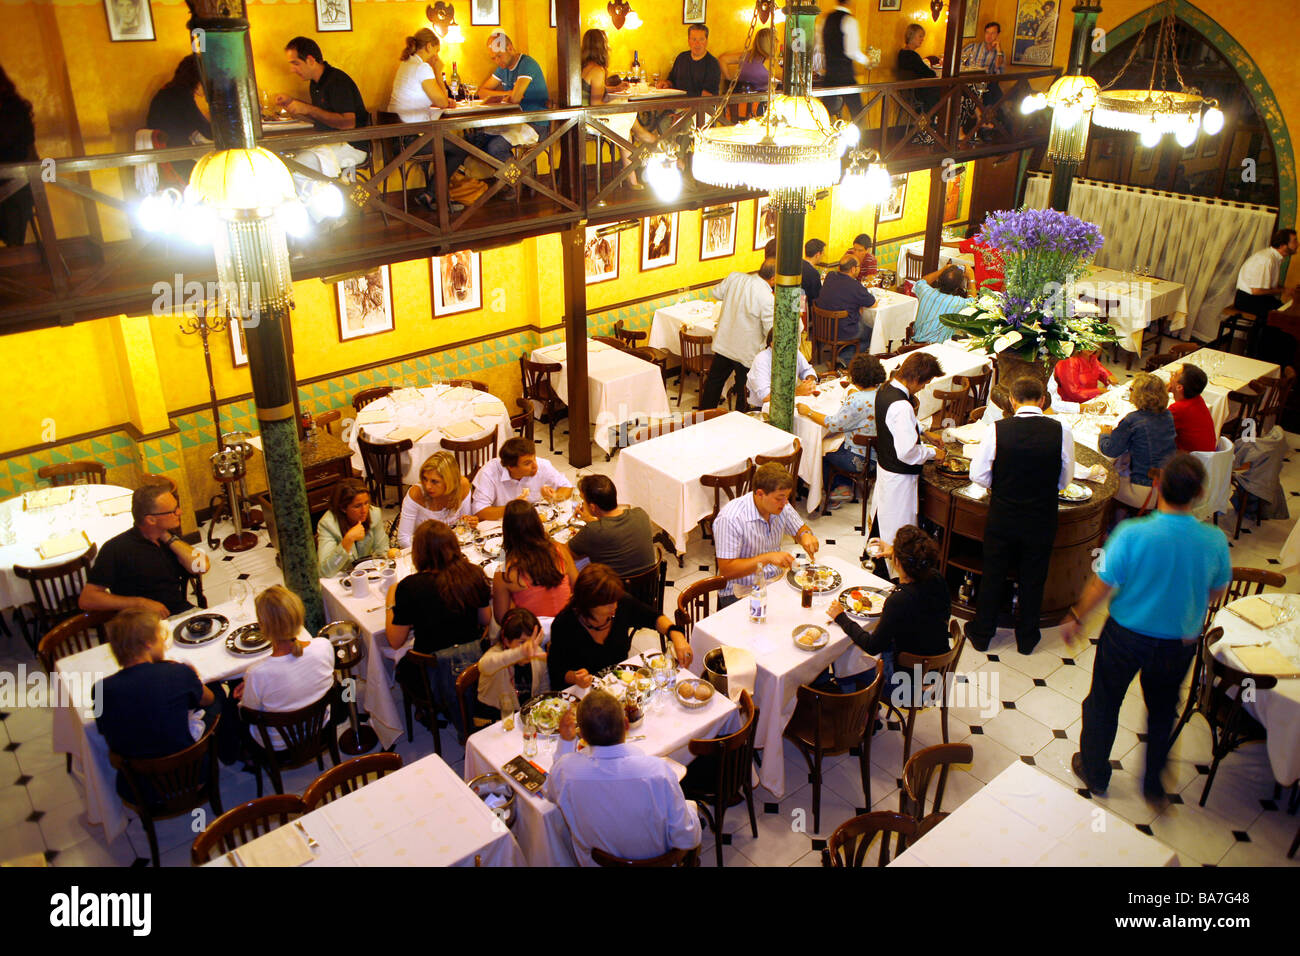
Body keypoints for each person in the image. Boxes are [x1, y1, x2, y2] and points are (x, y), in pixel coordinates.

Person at [1063, 453, 1230, 804]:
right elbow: (1217, 590)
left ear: (1157, 485)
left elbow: (1102, 584)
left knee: (1104, 702)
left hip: (1126, 634)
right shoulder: (1213, 540)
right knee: (1162, 710)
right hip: (1178, 642)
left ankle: (1094, 771)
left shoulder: (1132, 532)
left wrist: (1078, 616)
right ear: (1200, 493)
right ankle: (1153, 783)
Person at [965, 376, 1075, 654]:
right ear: (1042, 400)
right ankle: (1027, 638)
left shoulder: (998, 429)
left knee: (993, 573)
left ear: (1012, 400)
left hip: (1004, 512)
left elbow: (977, 475)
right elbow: (1065, 479)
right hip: (1042, 514)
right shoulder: (1061, 429)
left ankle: (982, 633)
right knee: (1034, 576)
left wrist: (1000, 486)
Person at [546, 689, 701, 865]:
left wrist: (566, 743)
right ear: (626, 725)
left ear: (583, 736)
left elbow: (551, 793)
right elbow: (688, 839)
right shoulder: (658, 772)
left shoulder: (566, 772)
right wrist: (692, 810)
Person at [94, 608, 218, 798]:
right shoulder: (177, 672)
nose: (164, 644)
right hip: (190, 774)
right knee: (218, 695)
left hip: (137, 786)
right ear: (148, 643)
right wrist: (193, 678)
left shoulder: (100, 690)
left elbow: (106, 734)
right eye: (161, 638)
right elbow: (209, 699)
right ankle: (233, 753)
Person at [827, 525, 950, 688]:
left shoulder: (899, 600)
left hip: (906, 682)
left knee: (848, 652)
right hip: (939, 667)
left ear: (897, 561)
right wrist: (896, 553)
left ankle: (857, 702)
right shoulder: (937, 578)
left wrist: (840, 617)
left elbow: (872, 646)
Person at [547, 563, 691, 689]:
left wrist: (677, 636)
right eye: (608, 603)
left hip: (618, 685)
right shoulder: (564, 624)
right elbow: (556, 671)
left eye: (615, 599)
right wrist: (575, 677)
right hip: (582, 694)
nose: (614, 606)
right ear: (588, 603)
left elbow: (653, 617)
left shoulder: (621, 604)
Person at [80, 483, 208, 618]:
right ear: (151, 519)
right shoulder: (116, 548)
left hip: (178, 611)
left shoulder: (166, 536)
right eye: (173, 511)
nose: (179, 512)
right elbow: (87, 599)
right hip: (141, 623)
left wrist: (168, 538)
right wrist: (139, 603)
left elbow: (201, 566)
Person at [276, 38, 370, 211]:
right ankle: (324, 215)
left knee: (298, 166)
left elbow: (348, 123)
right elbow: (323, 117)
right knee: (287, 162)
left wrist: (307, 109)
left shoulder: (337, 81)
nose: (291, 69)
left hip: (353, 146)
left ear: (311, 60)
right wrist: (294, 104)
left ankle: (324, 216)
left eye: (295, 63)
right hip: (332, 143)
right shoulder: (316, 84)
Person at [240, 586, 336, 749]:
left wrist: (247, 690)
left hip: (278, 743)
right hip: (320, 726)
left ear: (263, 627)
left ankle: (246, 758)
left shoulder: (256, 673)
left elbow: (248, 712)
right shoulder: (324, 646)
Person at [714, 462, 820, 609]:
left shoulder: (781, 506)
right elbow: (726, 570)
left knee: (811, 604)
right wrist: (767, 558)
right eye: (779, 498)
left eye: (787, 497)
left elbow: (800, 528)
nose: (785, 503)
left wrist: (805, 535)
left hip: (774, 580)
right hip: (741, 591)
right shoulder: (731, 518)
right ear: (760, 494)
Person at [873, 351, 946, 560]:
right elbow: (907, 452)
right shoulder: (902, 406)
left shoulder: (886, 388)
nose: (923, 387)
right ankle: (896, 573)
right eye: (924, 383)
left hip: (886, 469)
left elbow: (895, 422)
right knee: (899, 530)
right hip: (900, 477)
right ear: (914, 378)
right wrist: (933, 453)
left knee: (885, 520)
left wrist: (923, 431)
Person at [386, 28, 468, 207]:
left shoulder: (406, 64)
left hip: (396, 136)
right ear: (430, 46)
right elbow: (442, 100)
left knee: (451, 144)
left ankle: (432, 195)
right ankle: (433, 195)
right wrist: (438, 70)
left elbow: (439, 100)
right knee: (460, 149)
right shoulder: (422, 67)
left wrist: (443, 99)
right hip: (410, 140)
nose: (436, 56)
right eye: (437, 51)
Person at [385, 519, 491, 653]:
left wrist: (390, 601)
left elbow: (395, 641)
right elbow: (485, 619)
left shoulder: (409, 587)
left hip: (430, 667)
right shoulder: (474, 574)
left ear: (418, 553)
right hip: (473, 662)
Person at [798, 352, 886, 506]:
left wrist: (808, 412)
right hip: (881, 453)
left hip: (861, 459)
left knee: (820, 449)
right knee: (835, 440)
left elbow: (833, 424)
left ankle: (835, 494)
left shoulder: (857, 400)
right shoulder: (883, 392)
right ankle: (845, 486)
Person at [475, 31, 550, 199]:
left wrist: (509, 95)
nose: (497, 61)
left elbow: (516, 98)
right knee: (478, 139)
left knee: (495, 147)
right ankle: (519, 177)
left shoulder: (526, 64)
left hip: (536, 124)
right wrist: (509, 92)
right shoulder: (503, 68)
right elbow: (482, 92)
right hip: (516, 122)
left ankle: (517, 182)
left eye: (499, 56)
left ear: (510, 48)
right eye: (493, 58)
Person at [581, 29, 659, 189]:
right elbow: (596, 105)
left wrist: (613, 89)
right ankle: (643, 136)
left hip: (583, 116)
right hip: (591, 120)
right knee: (625, 110)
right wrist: (616, 101)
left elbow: (593, 91)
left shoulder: (586, 66)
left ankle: (632, 176)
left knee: (624, 116)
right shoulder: (597, 70)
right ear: (601, 46)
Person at [700, 261, 777, 411]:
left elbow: (716, 293)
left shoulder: (735, 278)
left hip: (724, 344)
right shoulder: (767, 298)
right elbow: (770, 332)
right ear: (773, 278)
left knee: (714, 383)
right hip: (745, 353)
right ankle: (741, 422)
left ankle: (703, 416)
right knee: (745, 391)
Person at [1098, 372, 1177, 510]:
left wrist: (1104, 434)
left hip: (1142, 490)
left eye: (1131, 389)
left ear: (1140, 395)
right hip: (1166, 485)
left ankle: (1104, 525)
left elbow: (1110, 450)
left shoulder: (1133, 420)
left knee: (1100, 478)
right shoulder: (1167, 415)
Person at [492, 499, 579, 623]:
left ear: (506, 530)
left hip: (533, 634)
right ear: (537, 523)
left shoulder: (504, 573)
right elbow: (578, 587)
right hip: (565, 624)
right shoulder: (559, 550)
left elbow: (502, 619)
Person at [568, 475, 656, 576]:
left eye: (583, 501)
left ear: (592, 507)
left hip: (613, 590)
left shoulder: (593, 531)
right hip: (649, 587)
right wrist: (592, 520)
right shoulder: (641, 514)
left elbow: (567, 553)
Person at [474, 607, 547, 726]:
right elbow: (484, 665)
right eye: (522, 642)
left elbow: (543, 690)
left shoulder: (537, 654)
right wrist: (519, 653)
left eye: (532, 641)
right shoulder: (496, 656)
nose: (529, 647)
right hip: (493, 722)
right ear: (506, 641)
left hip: (524, 719)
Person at [471, 436, 575, 519]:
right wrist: (512, 508)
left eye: (534, 459)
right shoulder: (489, 473)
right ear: (511, 467)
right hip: (504, 522)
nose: (535, 466)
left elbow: (567, 487)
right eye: (527, 463)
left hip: (534, 519)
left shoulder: (542, 465)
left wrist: (555, 497)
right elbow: (479, 511)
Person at [1234, 228, 1298, 356]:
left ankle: (1272, 352)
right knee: (1275, 316)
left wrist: (1286, 289)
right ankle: (1258, 353)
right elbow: (1257, 290)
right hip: (1247, 299)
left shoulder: (1275, 257)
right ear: (1283, 245)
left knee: (1284, 312)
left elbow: (1268, 285)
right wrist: (1283, 289)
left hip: (1257, 298)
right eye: (1294, 241)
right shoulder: (1266, 259)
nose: (1297, 244)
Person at [146, 55, 211, 179]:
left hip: (169, 155)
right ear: (198, 77)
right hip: (179, 157)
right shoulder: (181, 94)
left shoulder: (168, 91)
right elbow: (207, 131)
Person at [395, 451, 476, 549]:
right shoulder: (416, 493)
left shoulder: (462, 486)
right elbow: (403, 539)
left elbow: (464, 526)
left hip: (452, 545)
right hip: (422, 548)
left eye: (435, 481)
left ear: (449, 481)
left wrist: (470, 522)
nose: (428, 486)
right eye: (425, 479)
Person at [316, 478, 396, 577]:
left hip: (368, 573)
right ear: (343, 508)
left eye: (366, 503)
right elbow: (325, 571)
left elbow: (382, 551)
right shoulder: (328, 525)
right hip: (342, 576)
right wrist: (347, 541)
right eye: (357, 506)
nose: (364, 510)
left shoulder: (374, 513)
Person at [0, 66, 36, 246]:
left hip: (16, 182)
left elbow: (10, 143)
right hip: (15, 181)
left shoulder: (14, 109)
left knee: (13, 221)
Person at [815, 254, 877, 354]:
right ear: (853, 269)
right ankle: (846, 356)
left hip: (821, 327)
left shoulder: (830, 276)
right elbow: (873, 303)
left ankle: (841, 352)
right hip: (842, 331)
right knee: (873, 333)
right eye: (858, 267)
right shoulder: (854, 285)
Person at [821, 2, 871, 121]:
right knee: (858, 115)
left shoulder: (825, 19)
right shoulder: (850, 21)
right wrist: (867, 61)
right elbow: (852, 52)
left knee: (824, 116)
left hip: (829, 75)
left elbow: (820, 47)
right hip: (845, 76)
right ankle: (859, 140)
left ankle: (825, 138)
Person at [746, 330, 817, 408]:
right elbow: (765, 397)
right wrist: (796, 392)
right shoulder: (761, 360)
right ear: (772, 344)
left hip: (791, 401)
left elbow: (807, 370)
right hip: (764, 408)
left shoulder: (793, 351)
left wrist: (809, 380)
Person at [959, 22, 1005, 136]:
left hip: (986, 83)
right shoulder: (973, 47)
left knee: (994, 91)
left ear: (997, 35)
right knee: (974, 88)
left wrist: (998, 50)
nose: (989, 36)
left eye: (993, 33)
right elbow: (959, 60)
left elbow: (999, 69)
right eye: (987, 33)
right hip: (969, 80)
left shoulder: (999, 54)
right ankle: (983, 121)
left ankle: (989, 125)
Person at [911, 265, 969, 343]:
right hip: (936, 348)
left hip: (915, 342)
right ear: (957, 288)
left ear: (939, 280)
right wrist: (971, 278)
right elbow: (974, 301)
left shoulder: (926, 292)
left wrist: (943, 269)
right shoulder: (957, 302)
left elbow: (922, 281)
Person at [1168, 362, 1217, 453]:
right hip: (1208, 460)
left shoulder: (1177, 409)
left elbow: (1155, 429)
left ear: (1179, 387)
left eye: (1174, 375)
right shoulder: (1198, 399)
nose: (1170, 377)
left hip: (1189, 463)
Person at [665, 24, 722, 98]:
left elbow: (707, 95)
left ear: (706, 41)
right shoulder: (681, 58)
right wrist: (666, 83)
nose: (697, 44)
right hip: (678, 105)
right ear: (689, 41)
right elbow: (671, 81)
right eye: (694, 39)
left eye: (701, 39)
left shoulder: (712, 64)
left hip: (701, 107)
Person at [897, 23, 941, 114]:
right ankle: (935, 123)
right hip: (918, 93)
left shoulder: (903, 53)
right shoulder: (911, 55)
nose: (922, 39)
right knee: (949, 91)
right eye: (920, 36)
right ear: (911, 36)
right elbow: (929, 73)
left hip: (911, 91)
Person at [720, 27, 775, 92]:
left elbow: (723, 59)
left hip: (742, 97)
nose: (777, 42)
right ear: (768, 43)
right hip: (761, 99)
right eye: (776, 40)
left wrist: (728, 79)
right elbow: (785, 77)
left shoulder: (744, 56)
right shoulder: (769, 61)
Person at [801, 238, 827, 306]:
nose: (823, 256)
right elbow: (817, 297)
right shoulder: (813, 273)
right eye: (823, 254)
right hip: (806, 308)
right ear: (818, 254)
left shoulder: (798, 264)